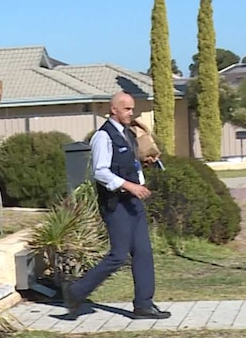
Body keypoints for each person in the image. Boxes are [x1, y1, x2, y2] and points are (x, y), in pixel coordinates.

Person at [63, 91, 170, 320]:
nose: (132, 113)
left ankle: (144, 304)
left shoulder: (128, 133)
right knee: (119, 255)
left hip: (134, 202)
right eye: (127, 109)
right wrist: (130, 186)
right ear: (114, 109)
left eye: (132, 109)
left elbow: (128, 163)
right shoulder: (103, 136)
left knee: (142, 252)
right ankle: (76, 291)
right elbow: (100, 171)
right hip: (116, 203)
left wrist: (144, 166)